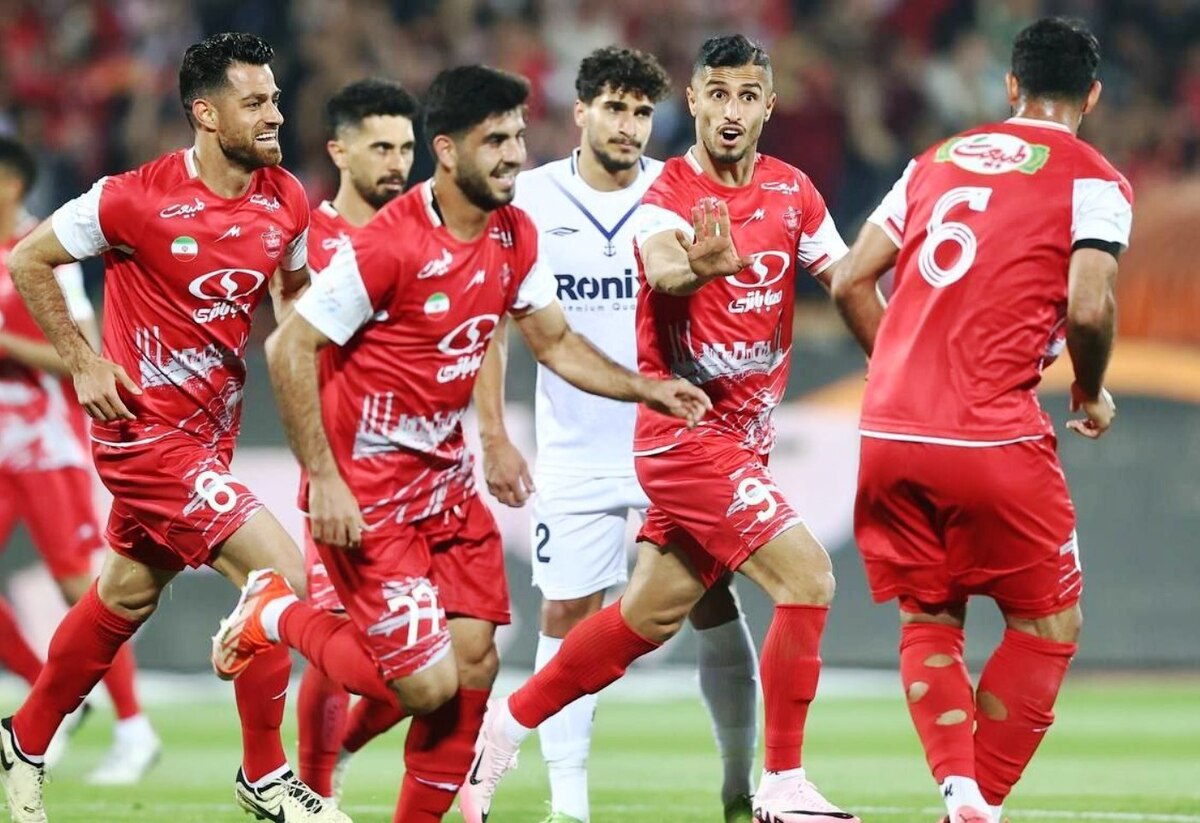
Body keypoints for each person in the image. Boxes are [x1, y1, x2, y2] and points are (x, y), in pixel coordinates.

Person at [208, 65, 710, 823]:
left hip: (446, 484)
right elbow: (288, 348)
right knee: (424, 685)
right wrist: (325, 478)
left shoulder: (515, 232)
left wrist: (647, 389)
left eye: (517, 136)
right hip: (370, 491)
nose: (514, 154)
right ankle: (274, 612)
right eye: (495, 140)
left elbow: (555, 342)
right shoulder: (389, 243)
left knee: (475, 665)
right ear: (446, 150)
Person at [461, 34, 859, 823]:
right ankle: (778, 781)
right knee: (807, 577)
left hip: (733, 441)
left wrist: (909, 307)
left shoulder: (790, 190)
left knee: (646, 617)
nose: (732, 110)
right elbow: (664, 266)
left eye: (748, 95)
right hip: (676, 439)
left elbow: (847, 278)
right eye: (719, 94)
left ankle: (505, 724)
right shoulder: (665, 191)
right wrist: (702, 266)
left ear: (769, 104)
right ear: (697, 101)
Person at [0, 33, 350, 823]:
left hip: (209, 438)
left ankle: (24, 739)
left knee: (123, 596)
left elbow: (292, 295)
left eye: (274, 99)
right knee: (279, 572)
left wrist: (316, 349)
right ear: (205, 113)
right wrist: (83, 360)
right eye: (254, 102)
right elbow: (28, 258)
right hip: (141, 435)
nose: (274, 114)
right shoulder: (134, 197)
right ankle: (266, 776)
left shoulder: (286, 198)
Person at [830, 17, 1131, 823]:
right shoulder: (1095, 179)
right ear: (1093, 96)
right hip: (991, 430)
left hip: (888, 428)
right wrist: (1089, 389)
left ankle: (957, 789)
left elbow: (850, 280)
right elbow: (1090, 305)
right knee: (1049, 622)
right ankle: (982, 803)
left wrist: (899, 372)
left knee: (929, 614)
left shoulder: (935, 160)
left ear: (1011, 85)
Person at [0, 136, 159, 785]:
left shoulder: (44, 252)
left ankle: (134, 728)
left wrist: (7, 343)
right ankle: (47, 689)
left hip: (47, 445)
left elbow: (85, 353)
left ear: (12, 183)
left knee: (80, 586)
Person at [294, 77, 419, 805]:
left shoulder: (426, 227)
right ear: (340, 151)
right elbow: (292, 351)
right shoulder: (310, 239)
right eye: (381, 147)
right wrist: (321, 470)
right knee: (342, 639)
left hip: (423, 472)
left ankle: (336, 755)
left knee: (447, 653)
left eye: (405, 147)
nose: (397, 163)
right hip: (344, 469)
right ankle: (313, 794)